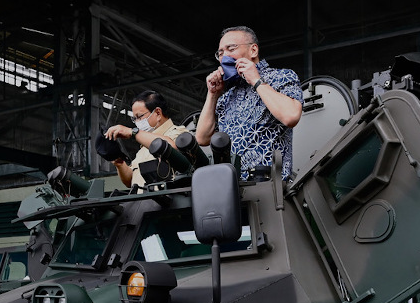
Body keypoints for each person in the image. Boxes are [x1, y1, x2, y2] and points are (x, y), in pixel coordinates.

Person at [196, 26, 303, 180]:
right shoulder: (227, 96)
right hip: (233, 189)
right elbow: (202, 138)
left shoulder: (281, 77)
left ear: (253, 50)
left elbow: (291, 116)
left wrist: (256, 80)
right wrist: (213, 95)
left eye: (231, 48)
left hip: (272, 188)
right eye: (220, 53)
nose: (225, 56)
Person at [101, 90, 189, 188]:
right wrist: (120, 163)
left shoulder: (179, 133)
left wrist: (132, 132)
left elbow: (170, 148)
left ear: (158, 113)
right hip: (142, 201)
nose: (137, 122)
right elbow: (130, 181)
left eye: (140, 116)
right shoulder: (143, 148)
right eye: (134, 119)